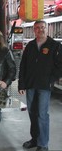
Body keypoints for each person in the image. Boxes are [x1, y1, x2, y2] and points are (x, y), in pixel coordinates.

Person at [18, 20, 62, 151]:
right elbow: (23, 66)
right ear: (34, 30)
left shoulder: (54, 45)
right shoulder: (30, 46)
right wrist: (21, 85)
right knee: (32, 113)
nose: (40, 30)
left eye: (42, 27)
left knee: (42, 114)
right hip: (31, 84)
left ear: (46, 29)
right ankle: (35, 139)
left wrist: (51, 79)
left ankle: (43, 144)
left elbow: (60, 66)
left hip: (44, 85)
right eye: (37, 28)